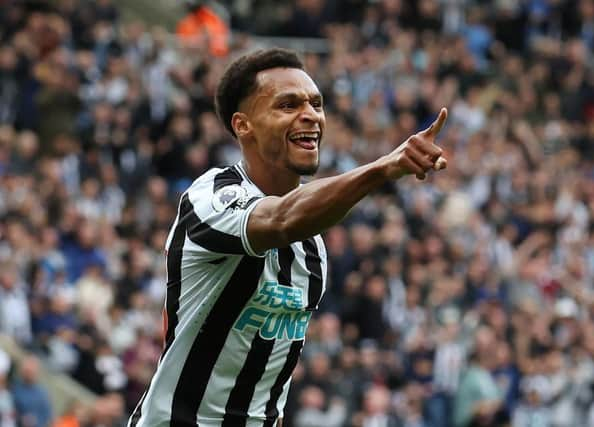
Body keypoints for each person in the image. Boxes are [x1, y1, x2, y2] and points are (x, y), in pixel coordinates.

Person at [128, 47, 448, 427]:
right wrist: (382, 168)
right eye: (288, 105)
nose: (311, 115)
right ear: (243, 125)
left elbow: (270, 382)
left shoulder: (312, 250)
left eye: (316, 103)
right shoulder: (211, 196)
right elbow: (278, 219)